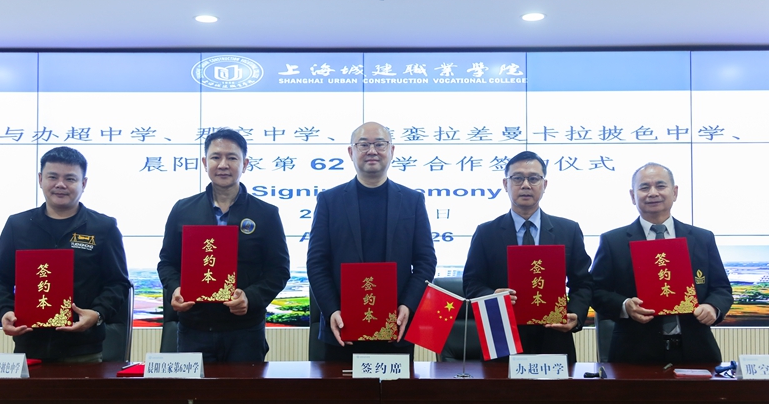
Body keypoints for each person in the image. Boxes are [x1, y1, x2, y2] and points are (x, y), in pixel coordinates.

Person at [306, 121, 437, 361]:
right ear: (351, 152)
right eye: (364, 145)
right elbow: (316, 262)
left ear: (392, 150)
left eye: (380, 144)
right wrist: (332, 310)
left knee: (395, 388)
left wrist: (408, 305)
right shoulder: (329, 201)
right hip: (342, 330)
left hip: (396, 328)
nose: (372, 151)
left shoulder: (413, 201)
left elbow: (426, 261)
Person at [0, 146, 130, 362]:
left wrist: (97, 314)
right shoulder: (18, 225)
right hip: (29, 347)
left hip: (84, 350)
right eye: (53, 177)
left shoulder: (103, 227)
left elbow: (118, 283)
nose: (60, 184)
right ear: (40, 179)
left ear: (83, 183)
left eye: (70, 178)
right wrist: (4, 311)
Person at [158, 128, 289, 362]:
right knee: (194, 388)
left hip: (245, 331)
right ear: (204, 162)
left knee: (243, 387)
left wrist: (250, 297)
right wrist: (176, 288)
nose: (223, 165)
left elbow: (278, 270)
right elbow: (167, 263)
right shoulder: (183, 210)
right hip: (194, 329)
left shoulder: (266, 214)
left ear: (245, 164)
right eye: (216, 157)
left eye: (232, 158)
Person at [591, 162, 732, 364]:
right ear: (633, 196)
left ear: (675, 192)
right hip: (634, 353)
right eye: (644, 187)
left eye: (660, 185)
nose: (653, 193)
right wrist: (625, 305)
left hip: (696, 350)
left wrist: (712, 307)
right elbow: (596, 291)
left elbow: (722, 288)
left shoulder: (702, 238)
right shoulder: (613, 241)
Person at [462, 151, 593, 363]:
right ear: (505, 184)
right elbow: (471, 283)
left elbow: (583, 282)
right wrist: (493, 295)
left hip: (554, 336)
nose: (525, 185)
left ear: (544, 184)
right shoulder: (486, 232)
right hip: (502, 337)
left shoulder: (568, 230)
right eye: (517, 178)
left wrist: (575, 314)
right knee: (501, 386)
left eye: (533, 178)